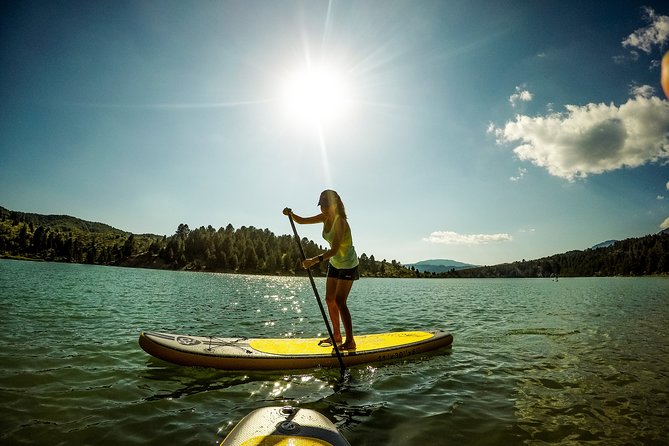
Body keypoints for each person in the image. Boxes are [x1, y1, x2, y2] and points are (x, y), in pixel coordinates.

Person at [283, 190, 359, 350]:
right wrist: (291, 214)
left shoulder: (340, 222)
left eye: (326, 205)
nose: (323, 209)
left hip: (348, 264)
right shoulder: (324, 217)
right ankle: (336, 336)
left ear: (335, 204)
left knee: (340, 301)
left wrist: (313, 261)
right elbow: (302, 221)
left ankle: (350, 341)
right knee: (329, 299)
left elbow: (335, 250)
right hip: (335, 263)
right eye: (321, 205)